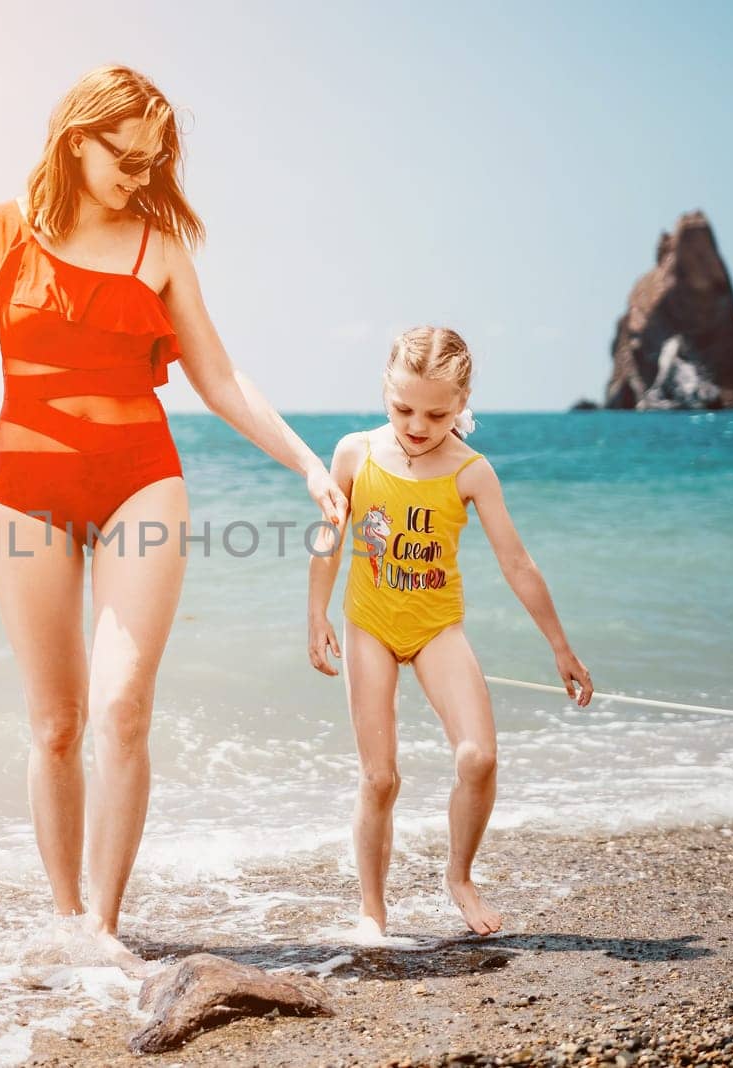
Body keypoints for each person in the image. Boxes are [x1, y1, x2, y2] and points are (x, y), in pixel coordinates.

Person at [0, 65, 346, 967]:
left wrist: (307, 461)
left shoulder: (158, 247)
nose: (141, 176)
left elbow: (220, 376)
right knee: (55, 724)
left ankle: (108, 934)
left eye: (154, 162)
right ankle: (66, 919)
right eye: (125, 158)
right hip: (25, 490)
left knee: (122, 708)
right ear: (75, 139)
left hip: (139, 482)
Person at [306, 326, 592, 936]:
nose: (417, 424)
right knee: (380, 778)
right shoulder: (355, 453)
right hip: (370, 626)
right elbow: (328, 537)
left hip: (437, 626)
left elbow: (517, 562)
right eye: (403, 407)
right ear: (386, 391)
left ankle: (459, 877)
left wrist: (560, 647)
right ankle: (372, 910)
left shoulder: (472, 471)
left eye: (436, 413)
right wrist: (316, 613)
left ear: (462, 404)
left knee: (479, 757)